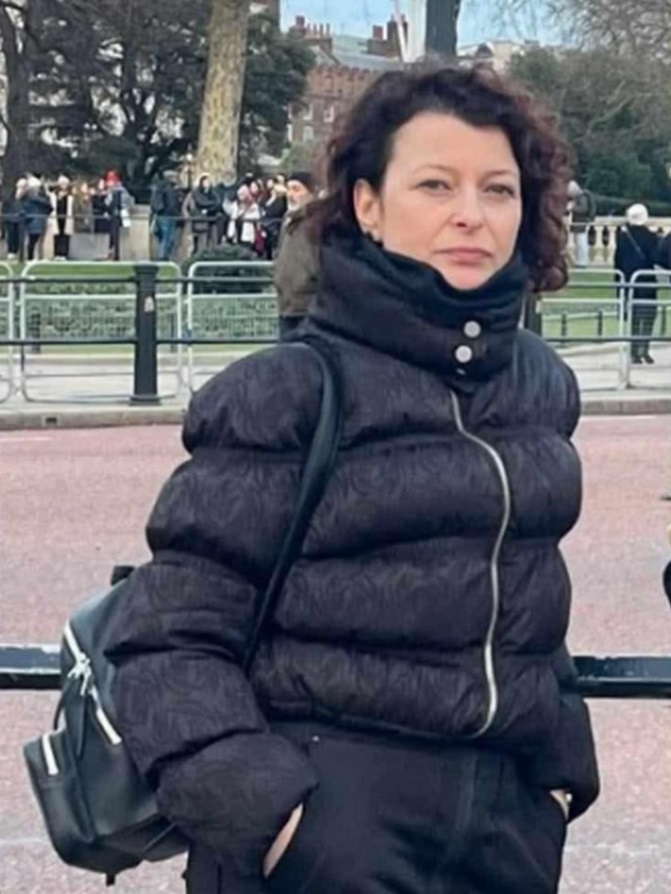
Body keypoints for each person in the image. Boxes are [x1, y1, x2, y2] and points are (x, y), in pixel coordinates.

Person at [105, 63, 599, 894]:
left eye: (497, 189)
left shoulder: (538, 386)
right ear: (367, 204)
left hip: (501, 828)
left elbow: (528, 604)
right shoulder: (286, 390)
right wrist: (275, 822)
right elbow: (165, 638)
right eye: (435, 185)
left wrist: (555, 778)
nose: (470, 214)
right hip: (327, 814)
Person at [614, 203, 667, 364]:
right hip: (646, 281)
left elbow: (618, 260)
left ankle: (634, 350)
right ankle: (644, 349)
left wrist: (618, 281)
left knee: (634, 318)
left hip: (628, 280)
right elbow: (657, 258)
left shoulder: (623, 236)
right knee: (648, 315)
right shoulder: (650, 237)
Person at [273, 170, 318, 340]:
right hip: (287, 305)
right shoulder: (288, 221)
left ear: (311, 193)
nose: (290, 194)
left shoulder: (318, 222)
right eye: (289, 189)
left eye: (296, 189)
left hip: (309, 307)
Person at [151, 170, 183, 262]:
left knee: (165, 238)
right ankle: (162, 258)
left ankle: (163, 256)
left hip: (163, 215)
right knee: (167, 238)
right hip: (167, 215)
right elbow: (172, 204)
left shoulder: (161, 187)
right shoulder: (168, 188)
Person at [186, 174, 219, 255]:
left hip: (212, 218)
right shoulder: (196, 192)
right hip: (201, 220)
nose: (207, 183)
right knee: (201, 241)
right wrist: (211, 204)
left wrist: (208, 209)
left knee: (213, 240)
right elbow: (201, 202)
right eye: (205, 182)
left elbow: (217, 202)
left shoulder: (213, 192)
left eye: (209, 182)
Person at [567, 179, 596, 268]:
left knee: (581, 242)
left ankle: (582, 261)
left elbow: (583, 209)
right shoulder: (580, 196)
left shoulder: (581, 197)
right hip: (579, 222)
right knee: (579, 242)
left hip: (581, 222)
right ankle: (580, 260)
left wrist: (572, 208)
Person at [22, 175, 52, 260]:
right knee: (34, 241)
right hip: (36, 221)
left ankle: (33, 257)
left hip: (36, 220)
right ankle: (33, 257)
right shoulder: (37, 198)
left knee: (34, 241)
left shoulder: (29, 197)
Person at [49, 175, 75, 259]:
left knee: (65, 236)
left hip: (67, 218)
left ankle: (64, 254)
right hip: (56, 218)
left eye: (65, 183)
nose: (64, 185)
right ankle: (57, 253)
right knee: (57, 236)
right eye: (62, 183)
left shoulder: (70, 196)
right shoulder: (53, 195)